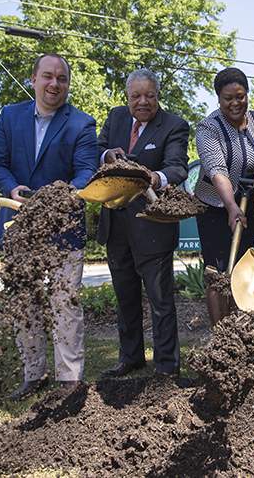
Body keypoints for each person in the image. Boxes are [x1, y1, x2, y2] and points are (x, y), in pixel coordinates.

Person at [0, 53, 98, 400]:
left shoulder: (81, 124)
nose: (54, 84)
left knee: (65, 305)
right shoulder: (9, 116)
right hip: (20, 227)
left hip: (63, 227)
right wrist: (11, 188)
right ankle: (33, 375)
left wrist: (60, 195)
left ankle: (69, 378)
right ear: (33, 79)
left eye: (61, 78)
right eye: (47, 76)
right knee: (26, 304)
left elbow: (85, 172)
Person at [97, 68, 189, 378]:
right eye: (136, 96)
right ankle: (131, 357)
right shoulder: (116, 118)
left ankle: (166, 365)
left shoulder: (174, 125)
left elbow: (177, 167)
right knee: (125, 297)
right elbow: (98, 151)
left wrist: (155, 177)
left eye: (149, 95)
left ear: (158, 95)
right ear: (127, 97)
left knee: (160, 300)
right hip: (116, 226)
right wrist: (108, 154)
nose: (143, 102)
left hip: (153, 226)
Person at [194, 67, 254, 325]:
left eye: (241, 96)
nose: (236, 103)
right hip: (215, 207)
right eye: (229, 98)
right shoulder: (208, 128)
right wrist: (231, 207)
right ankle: (221, 336)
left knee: (242, 267)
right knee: (217, 271)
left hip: (248, 203)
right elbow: (217, 171)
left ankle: (240, 328)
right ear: (218, 98)